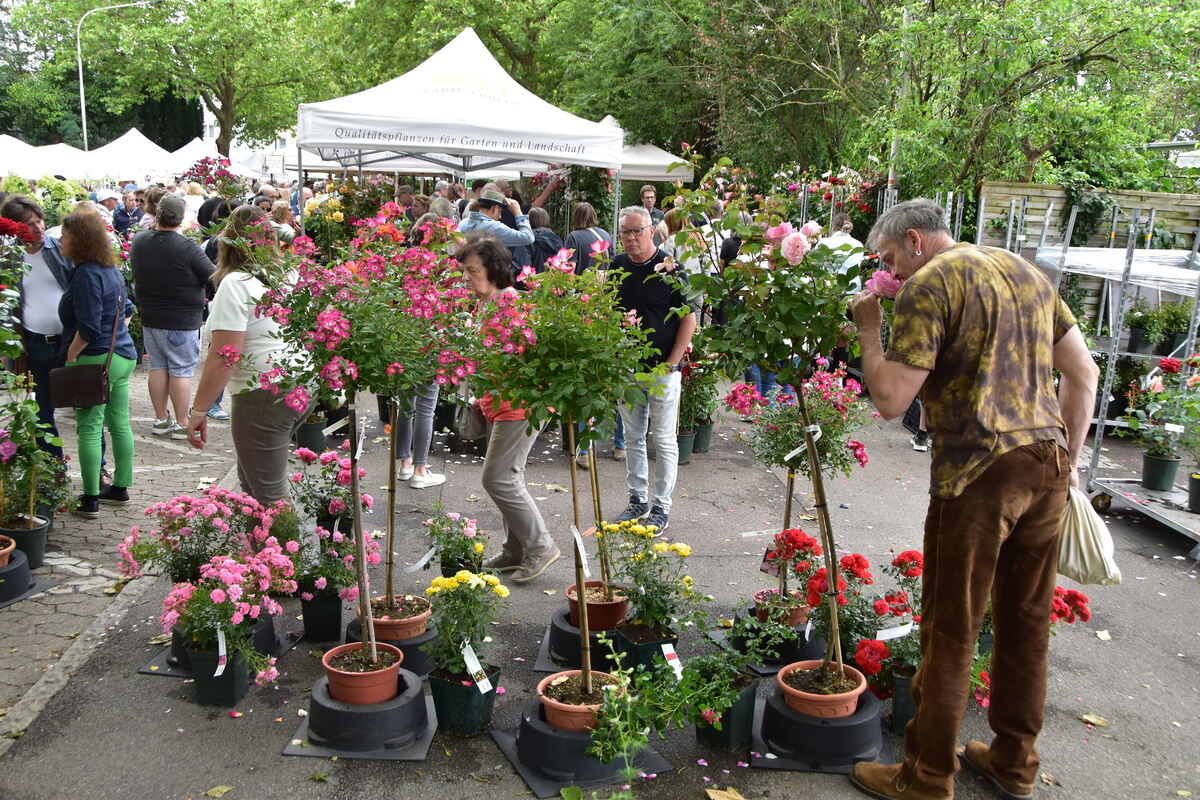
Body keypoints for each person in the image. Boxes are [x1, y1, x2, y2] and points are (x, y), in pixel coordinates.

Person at [847, 198, 1098, 800]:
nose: (889, 273)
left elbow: (890, 399)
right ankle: (1014, 762)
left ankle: (926, 776)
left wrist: (869, 329)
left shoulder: (929, 284)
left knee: (951, 627)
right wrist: (1068, 462)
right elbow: (1083, 375)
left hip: (978, 472)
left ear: (915, 240)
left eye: (889, 259)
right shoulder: (1024, 271)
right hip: (1048, 463)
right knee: (1026, 623)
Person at [183, 206, 313, 503]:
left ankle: (285, 535)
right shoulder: (289, 274)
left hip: (264, 394)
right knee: (253, 482)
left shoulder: (236, 284)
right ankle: (261, 534)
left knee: (268, 494)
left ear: (227, 243)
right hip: (300, 382)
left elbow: (224, 356)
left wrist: (199, 411)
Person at [462, 235, 560, 584]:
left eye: (473, 270)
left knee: (498, 478)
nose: (466, 277)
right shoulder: (487, 304)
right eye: (465, 270)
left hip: (519, 406)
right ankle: (515, 551)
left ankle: (541, 547)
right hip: (501, 403)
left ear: (494, 270)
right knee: (508, 477)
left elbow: (525, 359)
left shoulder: (508, 305)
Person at [611, 206, 697, 533]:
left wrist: (672, 363)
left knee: (663, 439)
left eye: (637, 230)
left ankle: (661, 505)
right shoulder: (617, 267)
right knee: (632, 437)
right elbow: (607, 312)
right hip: (627, 368)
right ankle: (637, 499)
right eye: (625, 232)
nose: (631, 237)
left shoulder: (671, 268)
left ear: (651, 231)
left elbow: (688, 319)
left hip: (663, 369)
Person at [57, 206, 137, 518]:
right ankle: (120, 487)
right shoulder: (111, 269)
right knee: (119, 423)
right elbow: (127, 310)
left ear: (80, 240)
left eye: (65, 236)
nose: (61, 241)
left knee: (89, 428)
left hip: (95, 359)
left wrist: (72, 354)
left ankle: (90, 498)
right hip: (122, 355)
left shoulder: (86, 274)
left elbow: (88, 328)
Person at [128, 193, 215, 439]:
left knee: (158, 366)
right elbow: (213, 276)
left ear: (158, 213)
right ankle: (182, 422)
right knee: (181, 371)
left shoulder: (139, 241)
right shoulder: (186, 246)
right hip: (182, 319)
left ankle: (160, 419)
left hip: (151, 316)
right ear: (181, 217)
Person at [1, 195, 74, 457]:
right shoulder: (9, 259)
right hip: (36, 344)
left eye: (40, 221)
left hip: (70, 342)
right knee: (42, 411)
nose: (38, 228)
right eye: (30, 224)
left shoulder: (61, 250)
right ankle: (54, 468)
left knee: (85, 405)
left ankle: (98, 469)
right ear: (15, 227)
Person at [457, 189, 535, 258]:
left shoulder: (463, 223)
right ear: (495, 208)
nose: (500, 216)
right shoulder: (495, 227)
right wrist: (518, 213)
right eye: (500, 211)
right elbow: (528, 237)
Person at [563, 202, 613, 274]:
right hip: (603, 280)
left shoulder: (573, 237)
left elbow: (570, 270)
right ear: (593, 215)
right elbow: (612, 262)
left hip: (583, 280)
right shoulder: (605, 234)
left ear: (575, 217)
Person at [526, 207, 564, 273]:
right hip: (554, 278)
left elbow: (523, 265)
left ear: (529, 221)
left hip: (534, 278)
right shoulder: (557, 240)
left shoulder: (528, 241)